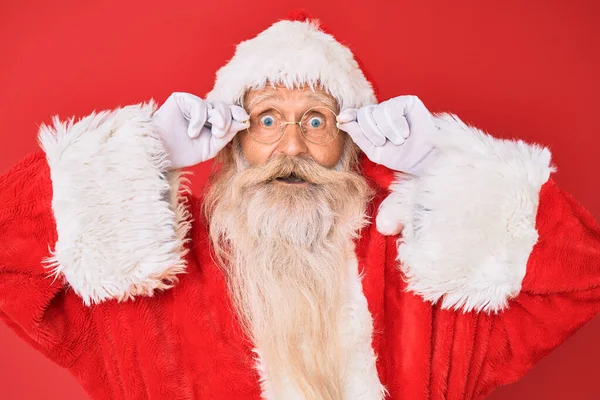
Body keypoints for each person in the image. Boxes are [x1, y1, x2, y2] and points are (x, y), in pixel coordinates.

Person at [1, 13, 599, 400]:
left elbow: (583, 277)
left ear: (351, 140)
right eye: (267, 120)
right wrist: (139, 155)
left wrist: (445, 164)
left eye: (316, 120)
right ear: (231, 137)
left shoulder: (422, 276)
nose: (291, 147)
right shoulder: (147, 275)